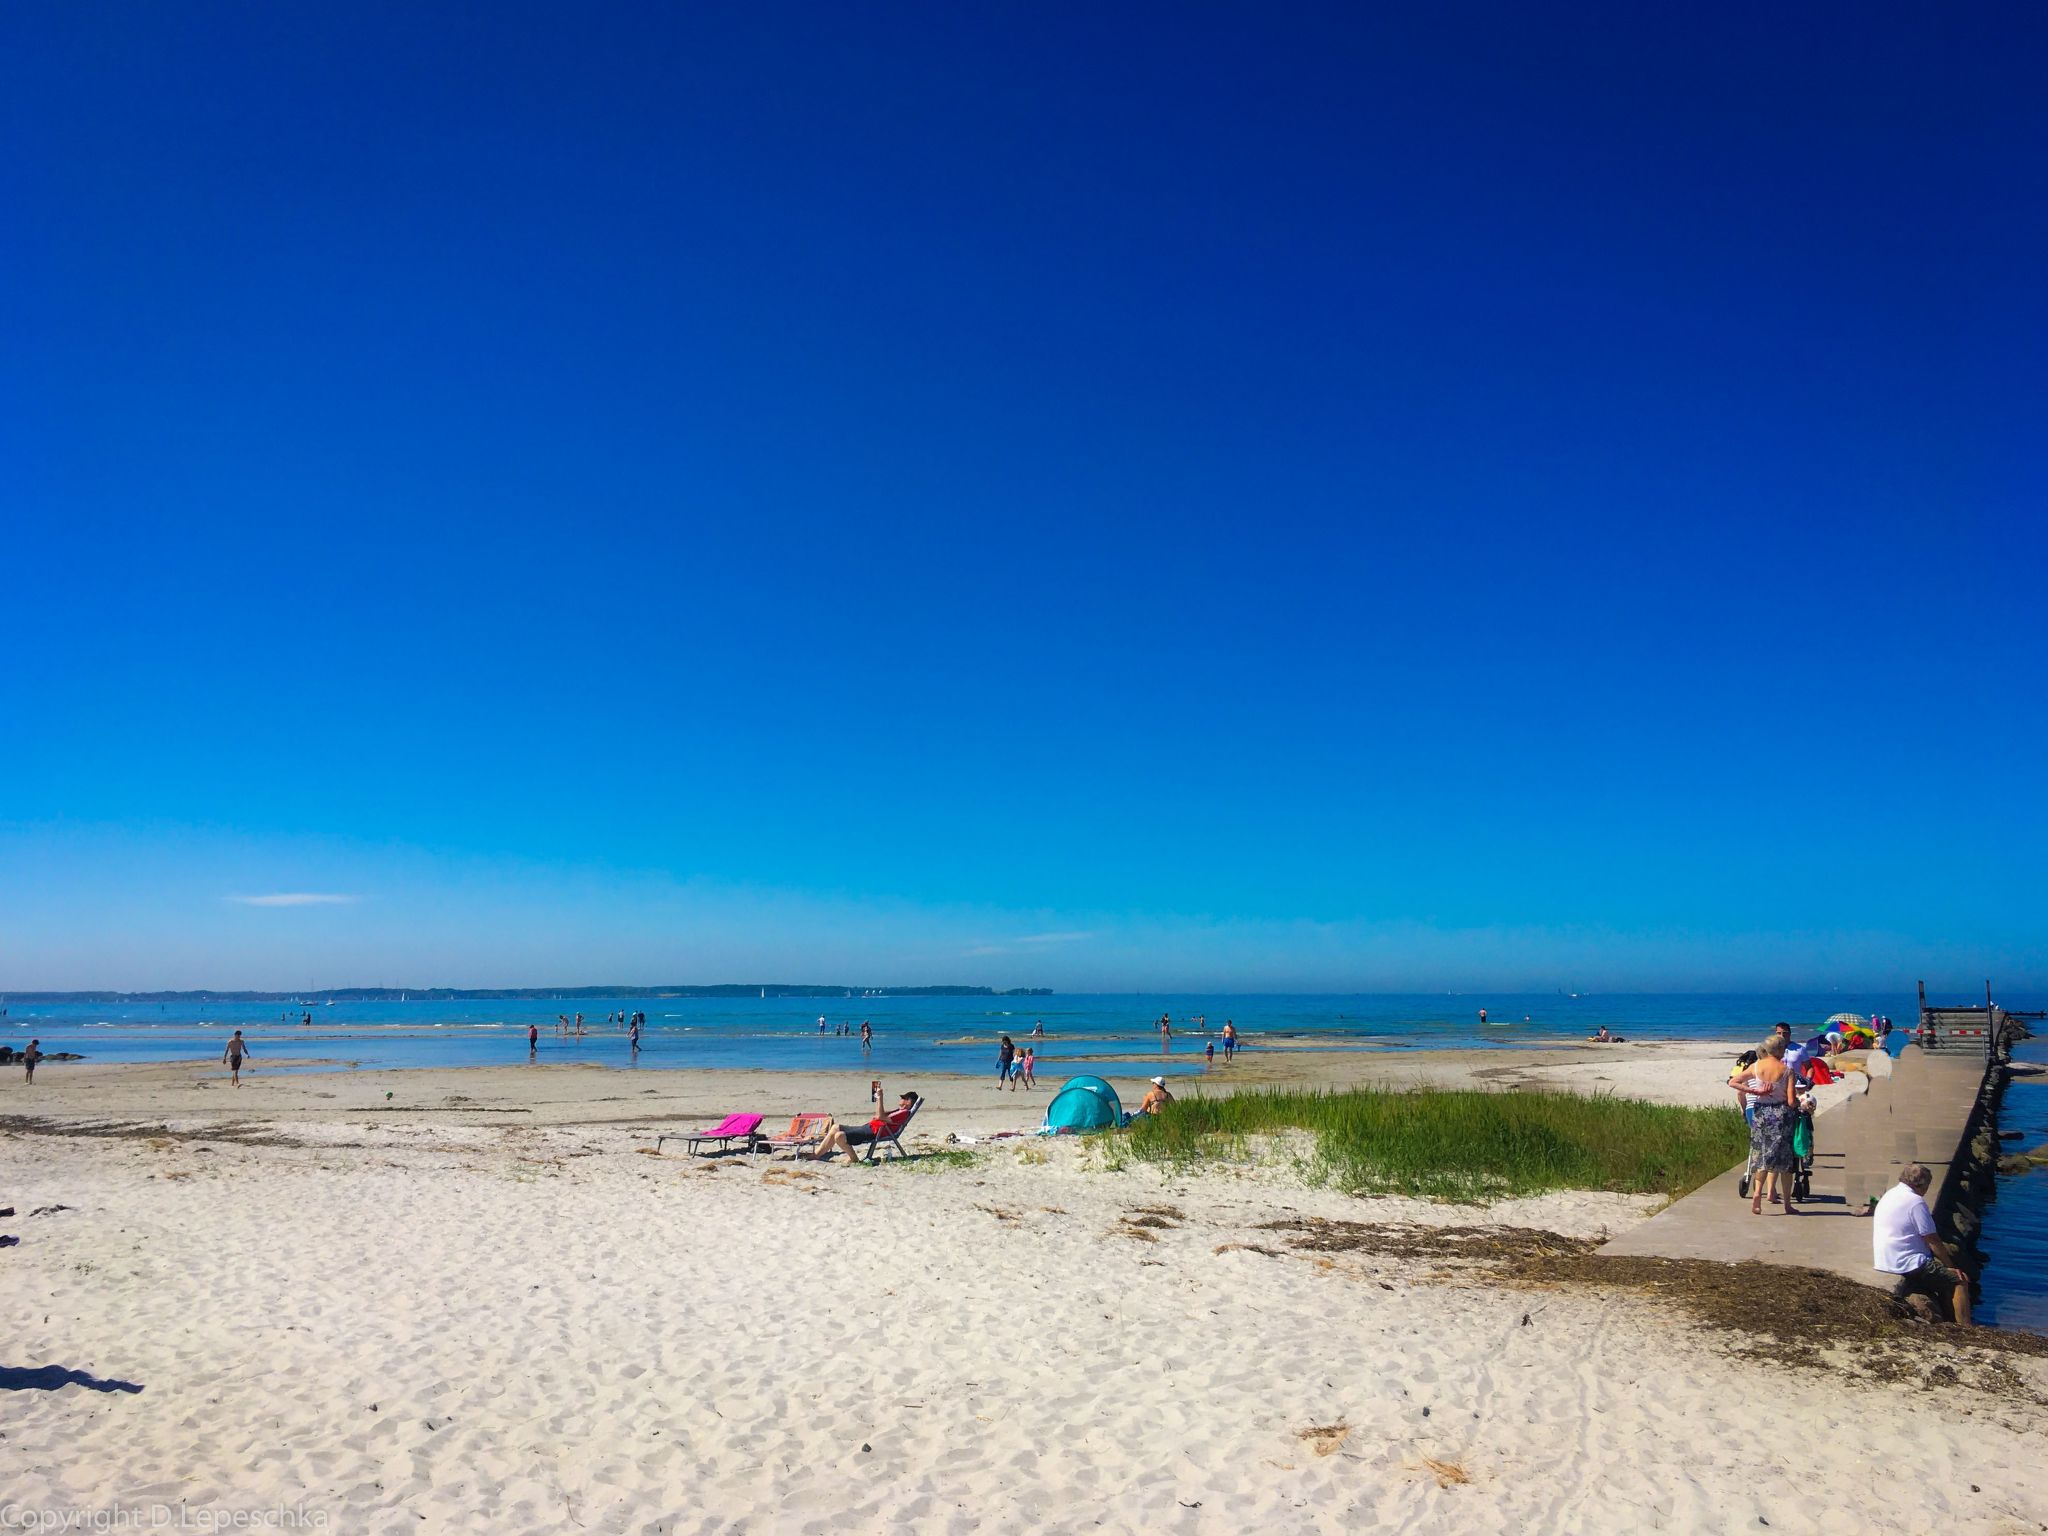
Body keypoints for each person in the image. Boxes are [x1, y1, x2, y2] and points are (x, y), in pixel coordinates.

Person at [1874, 1164, 1972, 1325]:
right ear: (1921, 1185)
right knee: (1958, 1280)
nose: (1926, 1191)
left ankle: (1949, 1319)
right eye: (1927, 1186)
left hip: (1886, 1258)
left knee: (1943, 1277)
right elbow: (1932, 1239)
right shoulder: (1915, 1202)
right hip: (1908, 1263)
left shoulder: (1890, 1194)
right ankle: (1966, 1328)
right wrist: (1950, 1266)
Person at [1732, 1035, 1796, 1214]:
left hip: (1760, 1114)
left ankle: (1758, 1194)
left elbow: (1733, 1082)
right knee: (1784, 1163)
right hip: (1781, 1115)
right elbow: (1791, 1101)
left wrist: (1754, 1090)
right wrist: (1799, 1103)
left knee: (1761, 1156)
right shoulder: (1787, 1070)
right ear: (1781, 1050)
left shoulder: (1756, 1066)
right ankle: (1787, 1204)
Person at [811, 1090, 920, 1163]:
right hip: (869, 1127)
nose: (900, 1099)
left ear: (908, 1102)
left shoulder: (903, 1112)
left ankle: (853, 1158)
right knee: (835, 1127)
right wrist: (879, 1106)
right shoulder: (899, 1111)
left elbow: (879, 1116)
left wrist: (880, 1098)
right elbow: (878, 1116)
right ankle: (816, 1155)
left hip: (873, 1132)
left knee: (839, 1136)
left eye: (903, 1098)